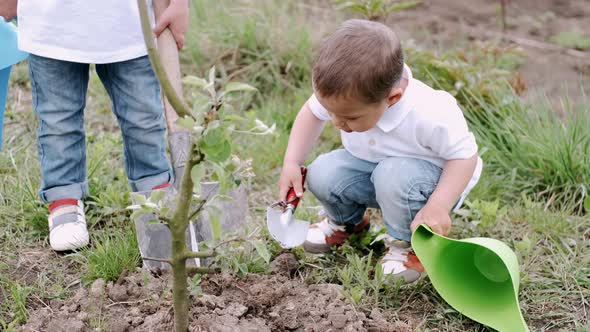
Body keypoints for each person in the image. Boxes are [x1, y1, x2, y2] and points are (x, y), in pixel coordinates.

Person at [278, 19, 483, 283]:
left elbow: (465, 157)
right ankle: (347, 224)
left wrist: (439, 205)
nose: (337, 123)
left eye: (350, 118)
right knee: (322, 172)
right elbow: (310, 114)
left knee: (393, 174)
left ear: (392, 98)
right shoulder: (346, 93)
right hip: (376, 170)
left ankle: (410, 246)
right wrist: (292, 162)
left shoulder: (431, 112)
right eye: (331, 113)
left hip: (430, 185)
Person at [0, 0, 189, 251]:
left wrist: (178, 3)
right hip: (50, 24)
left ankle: (153, 193)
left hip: (131, 26)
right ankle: (64, 198)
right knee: (58, 121)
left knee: (143, 119)